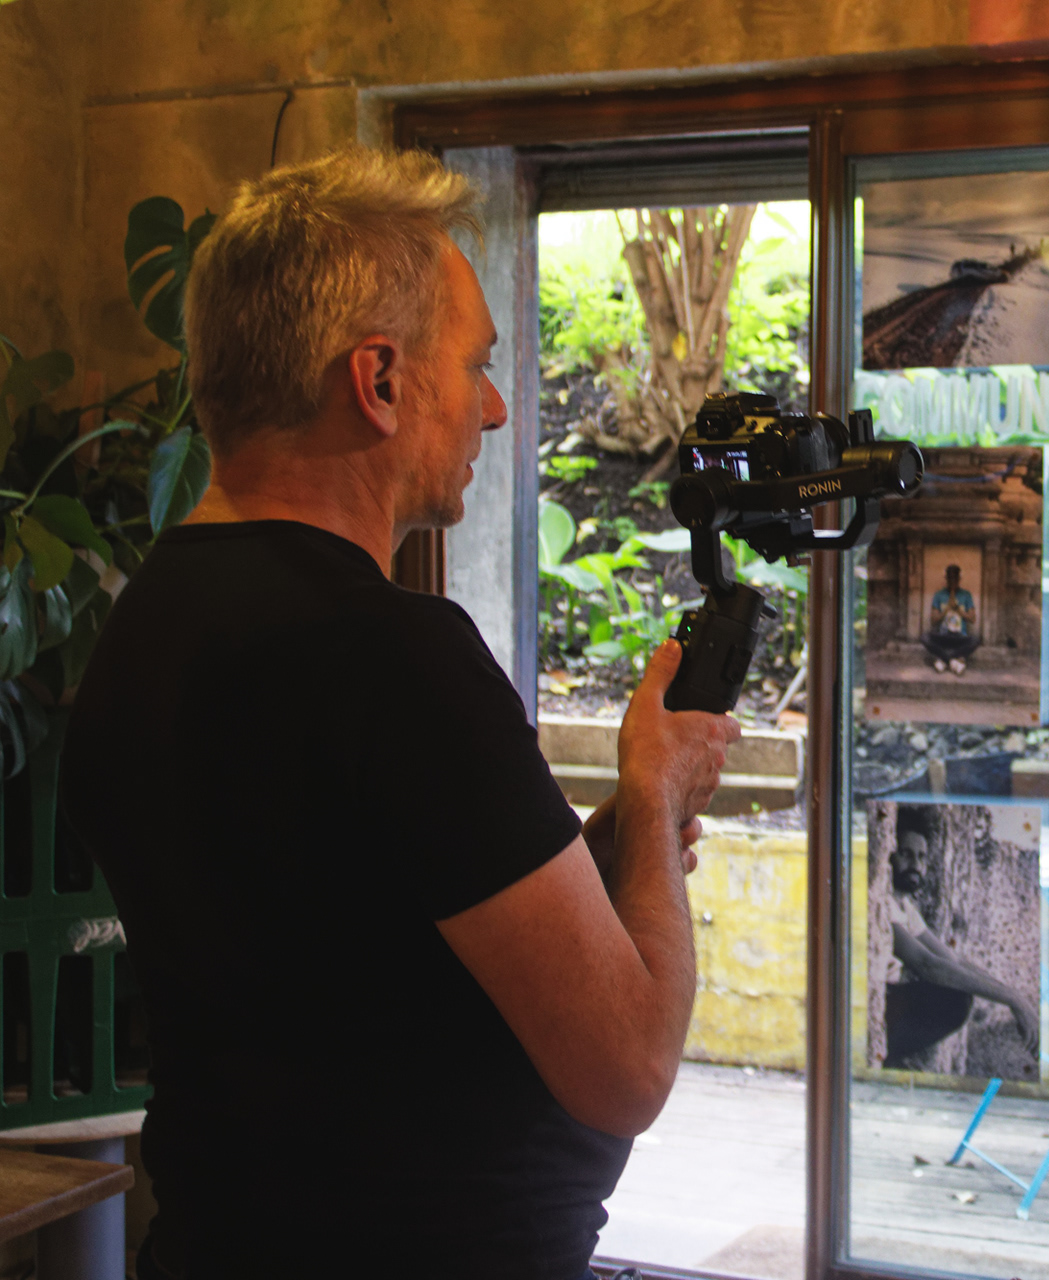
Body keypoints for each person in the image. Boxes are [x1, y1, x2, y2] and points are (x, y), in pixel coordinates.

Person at [59, 148, 741, 1280]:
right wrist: (660, 782)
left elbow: (356, 947)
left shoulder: (147, 623)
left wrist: (614, 840)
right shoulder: (391, 656)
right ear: (377, 381)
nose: (495, 407)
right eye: (474, 365)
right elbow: (628, 1068)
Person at [882, 814, 1039, 1069]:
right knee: (956, 1001)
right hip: (883, 998)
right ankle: (890, 1053)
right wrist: (1011, 999)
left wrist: (1015, 996)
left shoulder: (905, 907)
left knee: (960, 990)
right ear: (890, 854)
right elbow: (927, 964)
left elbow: (953, 960)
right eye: (906, 854)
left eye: (921, 857)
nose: (915, 865)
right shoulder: (884, 904)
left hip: (892, 997)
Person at [924, 563, 980, 675]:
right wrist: (947, 608)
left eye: (955, 578)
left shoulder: (966, 595)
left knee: (976, 640)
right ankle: (955, 659)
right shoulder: (939, 595)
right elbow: (933, 620)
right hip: (944, 636)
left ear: (959, 579)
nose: (952, 581)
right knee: (924, 637)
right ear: (946, 579)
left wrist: (957, 608)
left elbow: (972, 619)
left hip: (960, 636)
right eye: (950, 578)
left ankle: (944, 658)